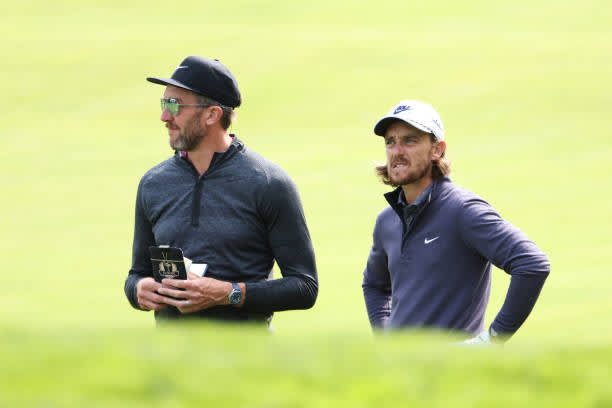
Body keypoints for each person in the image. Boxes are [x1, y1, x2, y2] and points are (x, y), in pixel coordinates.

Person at [124, 56, 318, 325]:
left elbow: (304, 288)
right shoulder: (153, 183)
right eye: (163, 103)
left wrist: (229, 294)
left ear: (212, 114)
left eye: (175, 105)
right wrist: (139, 289)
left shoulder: (269, 183)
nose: (164, 116)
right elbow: (137, 274)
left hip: (245, 359)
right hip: (171, 358)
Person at [362, 100, 550, 343]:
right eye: (390, 142)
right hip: (401, 373)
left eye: (410, 140)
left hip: (453, 371)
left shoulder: (463, 210)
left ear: (437, 150)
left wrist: (492, 340)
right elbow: (374, 285)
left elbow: (532, 264)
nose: (397, 151)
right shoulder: (387, 221)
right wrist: (386, 341)